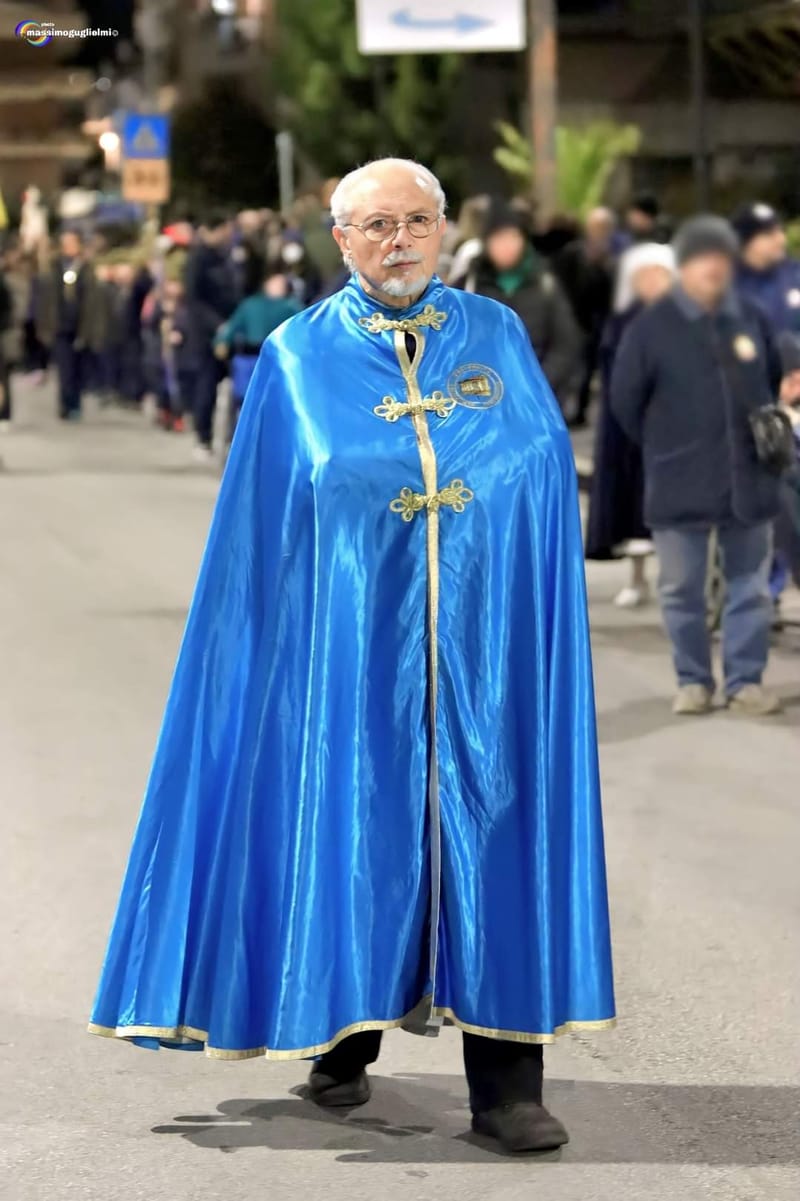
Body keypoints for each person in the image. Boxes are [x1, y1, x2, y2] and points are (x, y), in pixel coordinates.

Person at [89, 157, 614, 1156]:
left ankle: (506, 1085)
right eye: (376, 224)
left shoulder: (495, 334)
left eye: (417, 220)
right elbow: (263, 542)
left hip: (485, 655)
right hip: (348, 655)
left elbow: (540, 468)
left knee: (494, 836)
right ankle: (342, 1030)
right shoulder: (293, 358)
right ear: (340, 238)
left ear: (444, 227)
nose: (399, 240)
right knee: (354, 828)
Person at [611, 215, 784, 717]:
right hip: (678, 479)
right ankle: (693, 679)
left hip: (748, 478)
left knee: (749, 586)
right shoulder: (651, 327)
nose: (712, 267)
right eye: (702, 258)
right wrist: (667, 444)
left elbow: (769, 378)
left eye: (720, 258)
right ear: (684, 265)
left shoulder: (748, 316)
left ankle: (745, 681)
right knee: (681, 590)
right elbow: (625, 403)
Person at [586, 242, 676, 604]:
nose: (652, 282)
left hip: (677, 427)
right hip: (630, 426)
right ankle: (638, 579)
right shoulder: (622, 323)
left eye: (660, 274)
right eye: (645, 275)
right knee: (632, 501)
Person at [732, 202, 800, 612]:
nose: (778, 239)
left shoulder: (794, 276)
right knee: (780, 482)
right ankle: (770, 581)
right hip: (756, 406)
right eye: (766, 233)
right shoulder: (730, 288)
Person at [454, 204, 582, 409]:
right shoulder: (468, 284)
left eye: (513, 237)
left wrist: (536, 383)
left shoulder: (545, 284)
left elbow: (565, 344)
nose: (507, 246)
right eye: (499, 238)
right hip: (478, 400)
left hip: (532, 399)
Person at [213, 264, 300, 442]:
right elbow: (232, 327)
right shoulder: (252, 305)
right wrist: (222, 342)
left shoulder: (290, 307)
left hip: (277, 361)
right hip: (252, 359)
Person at [552, 207, 617, 427]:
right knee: (571, 368)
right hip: (572, 318)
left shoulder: (613, 256)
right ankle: (564, 408)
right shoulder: (573, 253)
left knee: (586, 370)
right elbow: (560, 285)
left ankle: (579, 409)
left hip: (596, 321)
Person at [34, 229, 106, 420]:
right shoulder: (54, 267)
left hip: (81, 326)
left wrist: (94, 330)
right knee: (64, 368)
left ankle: (75, 403)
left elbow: (94, 302)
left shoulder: (86, 268)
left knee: (78, 368)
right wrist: (44, 326)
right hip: (60, 326)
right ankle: (65, 404)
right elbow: (45, 300)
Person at [184, 211, 238, 459]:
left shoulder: (226, 257)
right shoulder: (197, 259)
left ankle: (230, 438)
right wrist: (216, 325)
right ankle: (202, 436)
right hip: (206, 334)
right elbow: (194, 300)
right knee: (206, 384)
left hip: (229, 330)